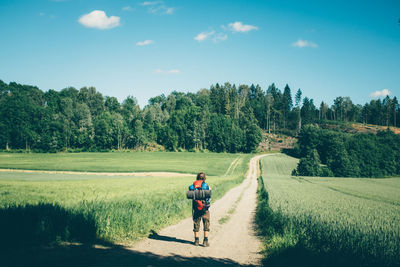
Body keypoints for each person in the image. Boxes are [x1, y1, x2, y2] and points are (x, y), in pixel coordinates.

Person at [188, 172, 211, 247]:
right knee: (206, 223)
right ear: (204, 178)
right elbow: (209, 196)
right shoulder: (206, 186)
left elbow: (190, 189)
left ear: (197, 178)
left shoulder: (192, 186)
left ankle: (196, 241)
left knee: (196, 224)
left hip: (196, 208)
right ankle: (205, 241)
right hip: (205, 208)